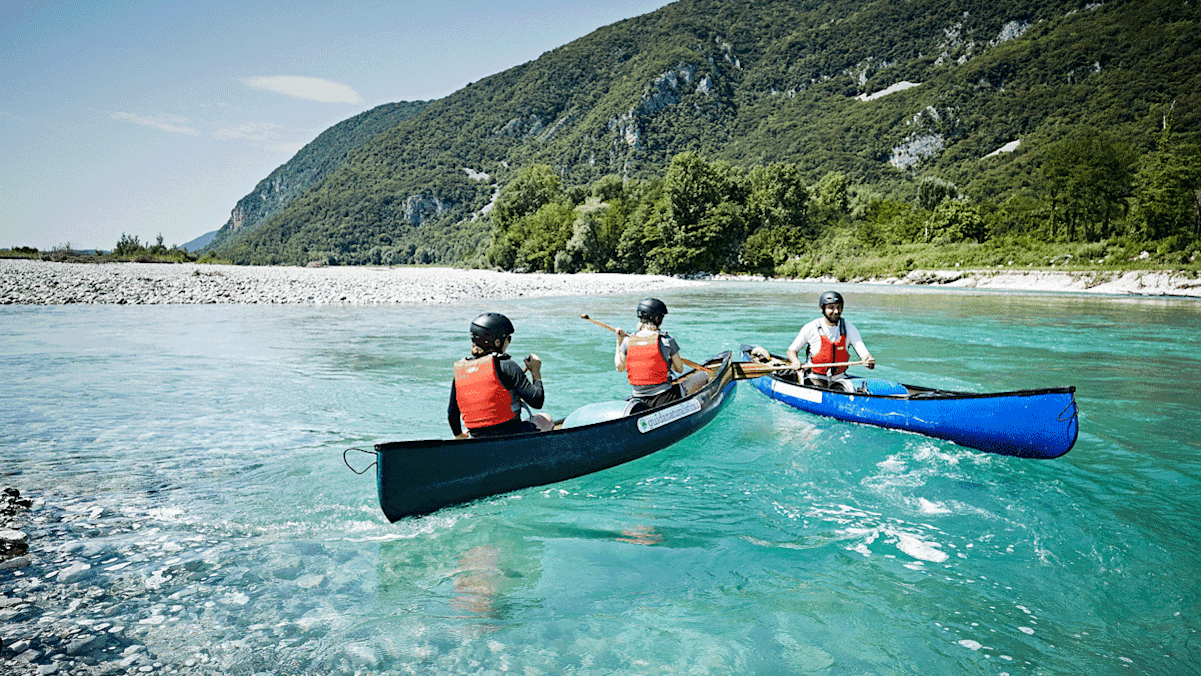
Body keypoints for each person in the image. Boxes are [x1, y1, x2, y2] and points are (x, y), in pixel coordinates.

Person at [448, 312, 553, 438]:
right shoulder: (507, 365)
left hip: (478, 438)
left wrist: (459, 436)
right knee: (545, 418)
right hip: (511, 435)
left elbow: (452, 414)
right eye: (508, 338)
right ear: (497, 342)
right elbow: (537, 401)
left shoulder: (461, 371)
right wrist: (536, 372)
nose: (509, 342)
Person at [786, 291, 876, 391]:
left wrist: (868, 360)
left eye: (839, 307)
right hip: (815, 378)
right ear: (822, 308)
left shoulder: (849, 328)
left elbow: (864, 354)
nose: (836, 311)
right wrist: (795, 361)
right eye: (831, 307)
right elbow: (791, 351)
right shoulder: (811, 328)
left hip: (840, 378)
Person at [614, 298, 686, 411]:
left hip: (639, 399)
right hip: (665, 397)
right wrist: (668, 360)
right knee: (692, 383)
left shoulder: (628, 341)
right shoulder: (667, 340)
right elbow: (679, 369)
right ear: (658, 319)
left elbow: (619, 367)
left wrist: (619, 342)